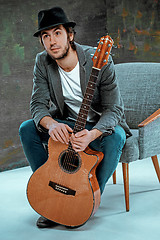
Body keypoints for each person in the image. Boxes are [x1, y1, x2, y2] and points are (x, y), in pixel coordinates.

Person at [19, 6, 131, 228]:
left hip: (96, 126)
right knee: (26, 129)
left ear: (70, 34)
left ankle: (84, 199)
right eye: (46, 36)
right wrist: (50, 125)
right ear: (42, 41)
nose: (52, 41)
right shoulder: (42, 62)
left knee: (116, 137)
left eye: (57, 33)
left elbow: (114, 109)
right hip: (67, 123)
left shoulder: (99, 59)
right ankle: (50, 194)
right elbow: (37, 104)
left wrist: (92, 134)